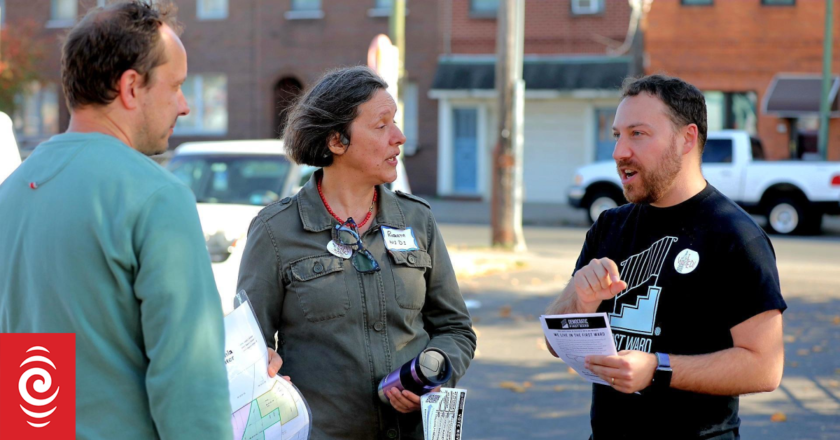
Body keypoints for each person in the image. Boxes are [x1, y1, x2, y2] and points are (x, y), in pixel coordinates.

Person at [0, 2, 232, 438]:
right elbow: (190, 386)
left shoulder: (10, 195)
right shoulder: (156, 197)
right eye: (176, 85)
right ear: (130, 87)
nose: (184, 105)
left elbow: (31, 367)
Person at [237, 66, 476, 439]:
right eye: (381, 125)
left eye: (395, 122)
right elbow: (249, 350)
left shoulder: (418, 220)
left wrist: (435, 371)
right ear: (337, 141)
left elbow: (455, 329)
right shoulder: (274, 230)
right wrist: (263, 369)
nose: (399, 137)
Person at [546, 75, 786, 439]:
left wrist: (658, 369)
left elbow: (764, 367)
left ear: (686, 138)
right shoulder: (610, 225)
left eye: (638, 134)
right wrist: (582, 302)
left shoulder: (736, 236)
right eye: (617, 135)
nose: (619, 152)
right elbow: (554, 342)